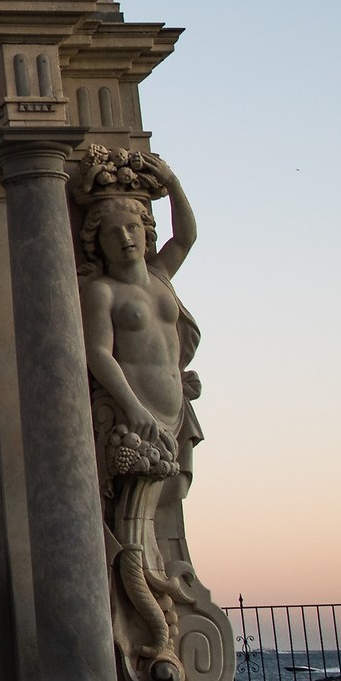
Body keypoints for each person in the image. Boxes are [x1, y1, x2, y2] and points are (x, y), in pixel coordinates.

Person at [77, 152, 197, 481]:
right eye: (113, 234)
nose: (126, 239)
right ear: (97, 243)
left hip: (176, 411)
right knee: (134, 518)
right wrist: (132, 406)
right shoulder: (103, 290)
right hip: (136, 412)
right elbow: (98, 352)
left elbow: (186, 238)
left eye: (132, 228)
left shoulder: (160, 275)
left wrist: (171, 182)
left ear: (146, 232)